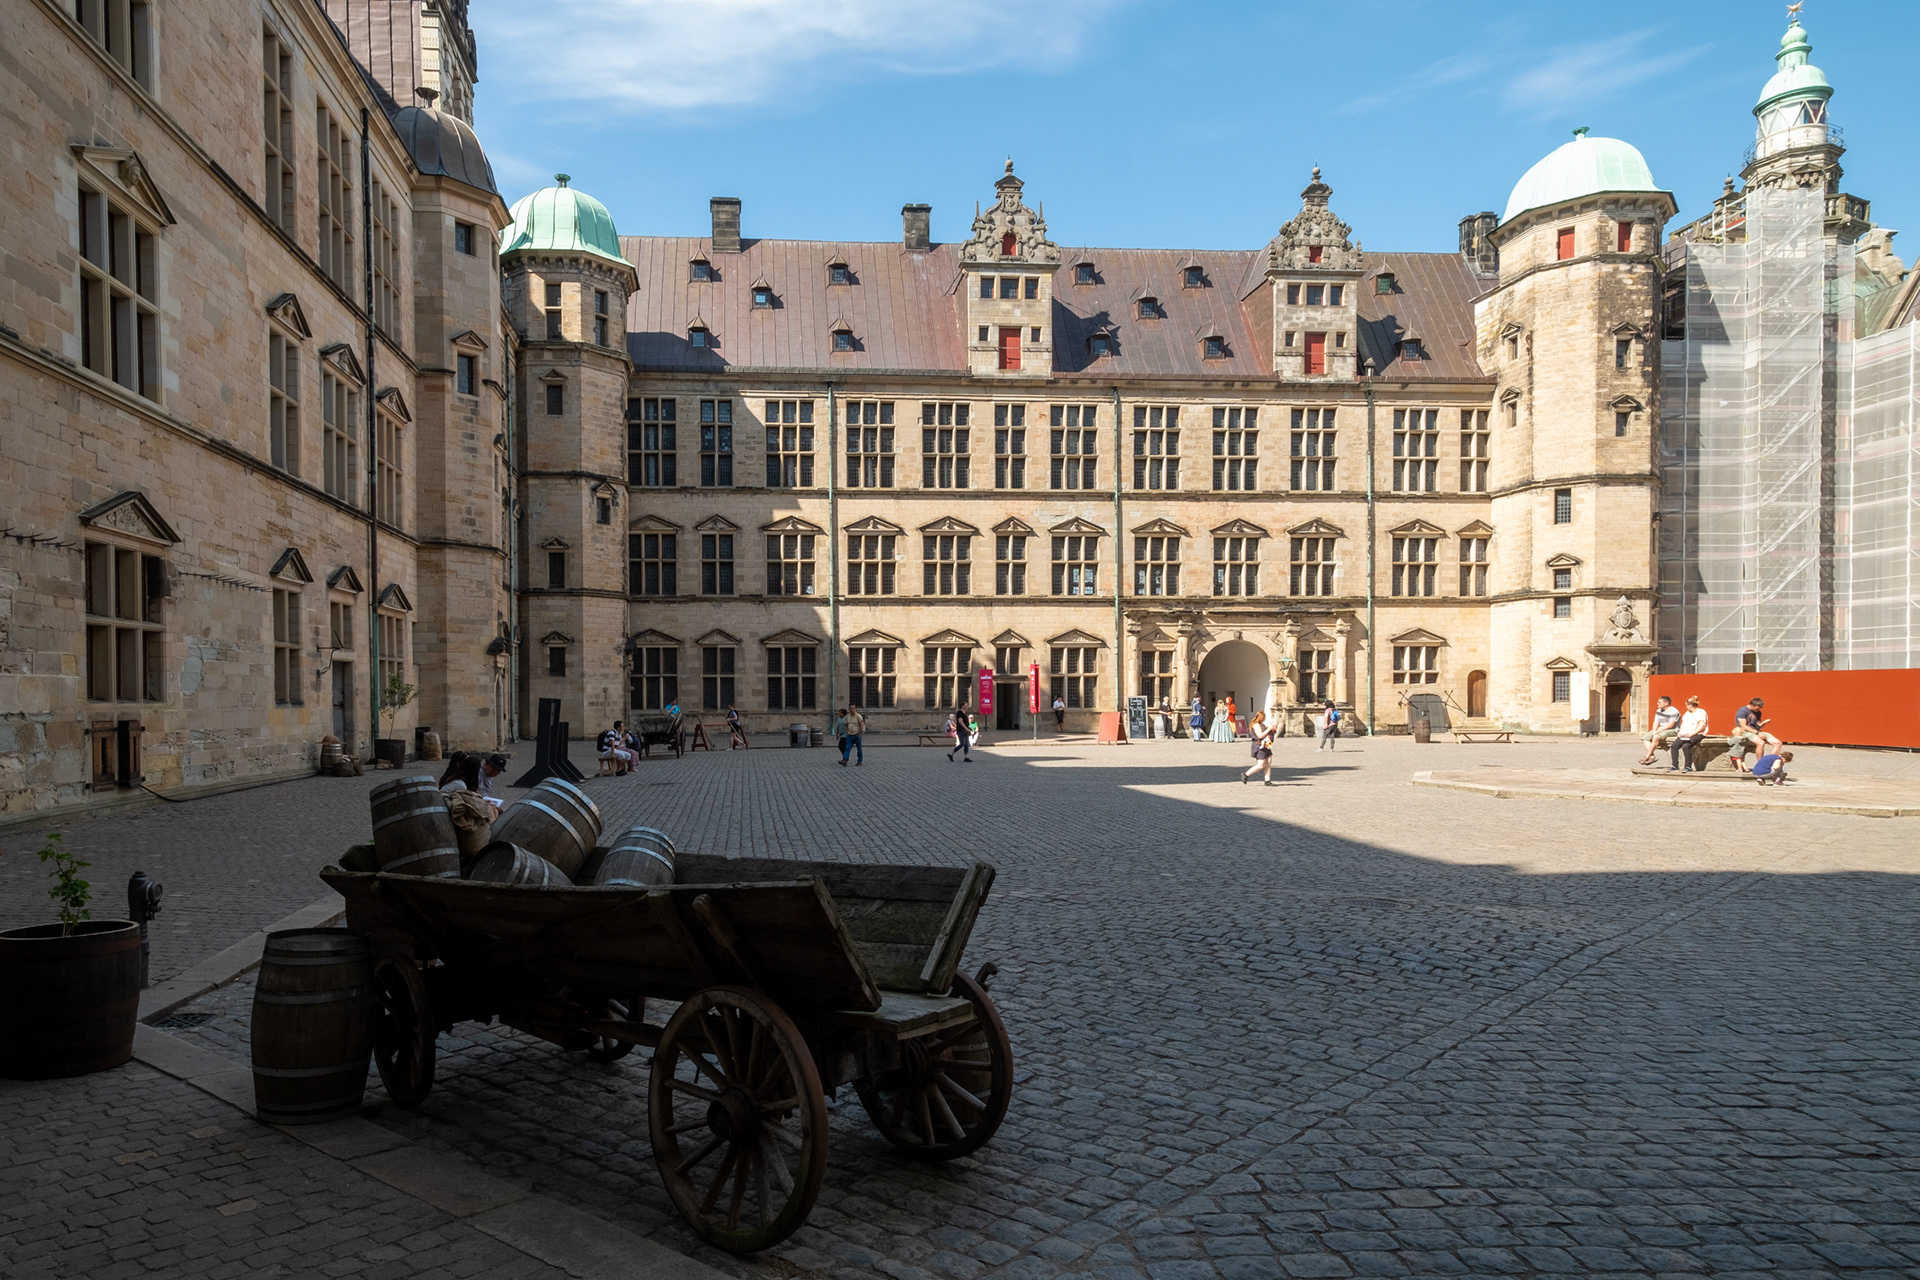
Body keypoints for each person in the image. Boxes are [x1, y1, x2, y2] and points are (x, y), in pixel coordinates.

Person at [1727, 698, 1778, 772]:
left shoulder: (1758, 712)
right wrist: (1757, 733)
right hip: (1745, 731)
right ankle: (1761, 764)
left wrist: (1764, 723)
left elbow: (1758, 726)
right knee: (1761, 743)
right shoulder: (1742, 711)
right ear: (1751, 705)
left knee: (1777, 743)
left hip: (1756, 730)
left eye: (1759, 709)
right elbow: (1743, 726)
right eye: (1757, 709)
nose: (1758, 710)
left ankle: (1772, 763)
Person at [1639, 694, 1680, 766]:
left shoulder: (1674, 711)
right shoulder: (1658, 711)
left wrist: (1657, 732)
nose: (1657, 703)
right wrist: (1654, 730)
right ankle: (1652, 756)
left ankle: (1647, 756)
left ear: (1666, 703)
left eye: (1659, 702)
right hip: (1661, 728)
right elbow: (1656, 722)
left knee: (1656, 737)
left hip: (1672, 730)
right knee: (1645, 738)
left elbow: (1670, 725)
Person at [1670, 696, 1709, 772]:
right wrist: (1680, 733)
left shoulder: (1701, 712)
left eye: (1686, 705)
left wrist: (1692, 734)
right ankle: (1675, 765)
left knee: (1686, 746)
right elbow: (1684, 725)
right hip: (1685, 734)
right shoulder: (1687, 714)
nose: (1686, 707)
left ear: (1690, 705)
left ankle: (1688, 766)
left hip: (1698, 734)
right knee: (1674, 746)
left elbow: (1702, 726)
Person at [1240, 711, 1277, 786]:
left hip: (1266, 745)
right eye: (1264, 718)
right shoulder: (1256, 725)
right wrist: (1269, 728)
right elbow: (1260, 735)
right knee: (1261, 764)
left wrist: (1271, 729)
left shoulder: (1261, 724)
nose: (1265, 719)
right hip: (1259, 745)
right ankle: (1246, 774)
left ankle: (1267, 781)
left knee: (1268, 762)